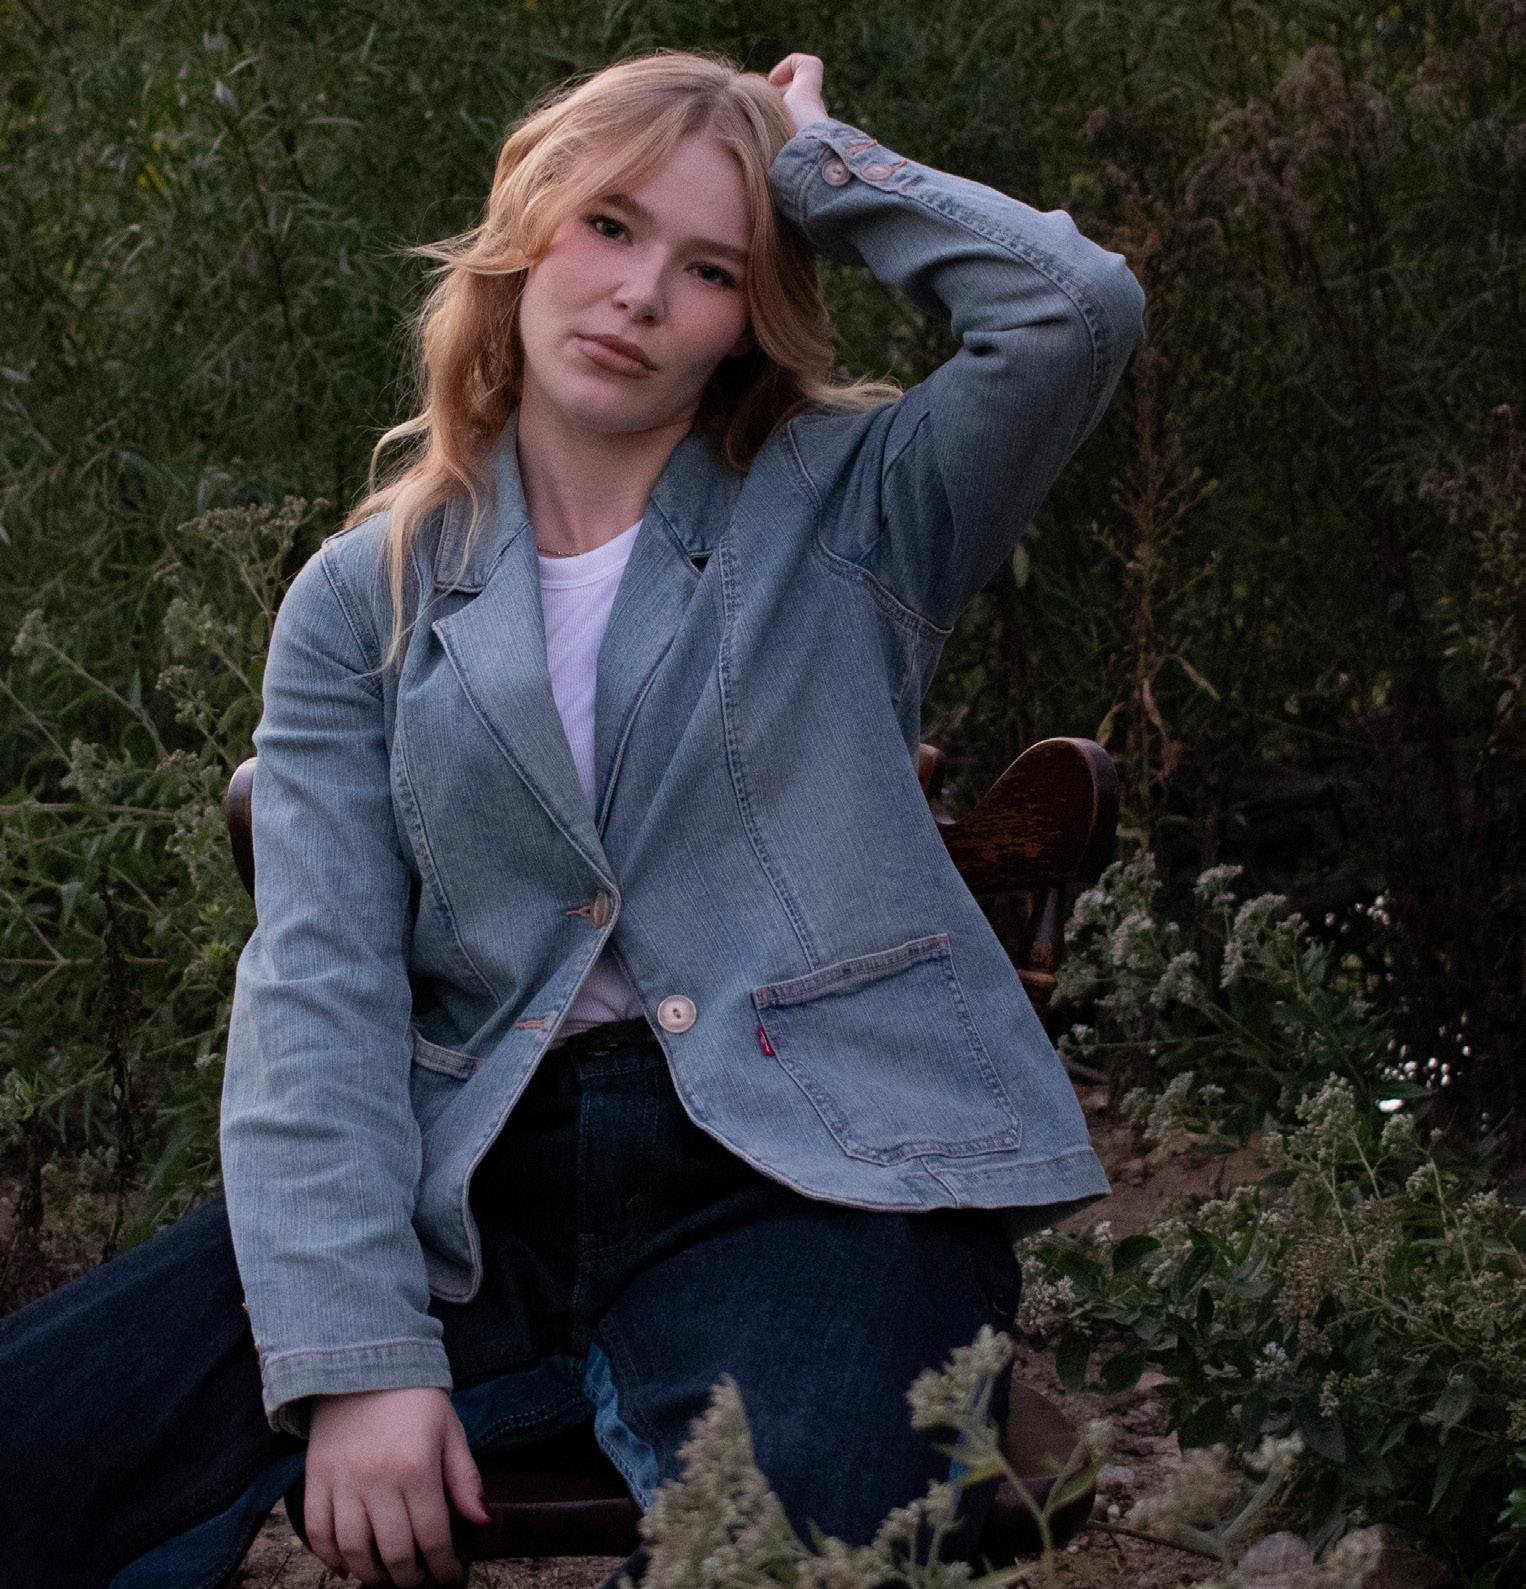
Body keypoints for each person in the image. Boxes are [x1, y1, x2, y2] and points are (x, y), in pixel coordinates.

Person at [0, 46, 1145, 1589]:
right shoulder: (366, 598)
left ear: (751, 312)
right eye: (607, 224)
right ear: (526, 231)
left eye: (710, 266)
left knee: (797, 1550)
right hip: (473, 1176)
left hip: (817, 1183)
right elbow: (318, 987)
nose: (640, 294)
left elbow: (1073, 311)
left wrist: (814, 163)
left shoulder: (856, 505)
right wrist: (359, 1357)